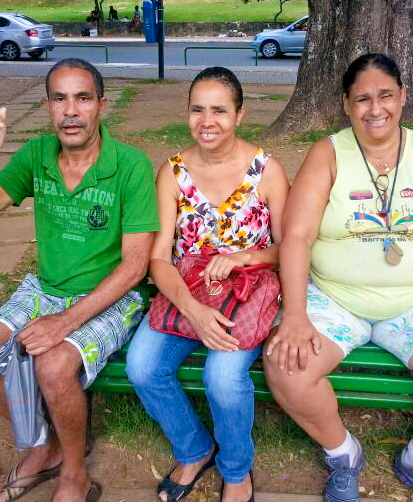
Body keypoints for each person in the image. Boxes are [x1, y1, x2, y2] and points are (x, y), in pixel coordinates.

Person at [264, 53, 413, 502]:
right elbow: (296, 238)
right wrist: (295, 315)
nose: (375, 109)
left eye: (386, 95)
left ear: (403, 97)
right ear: (346, 104)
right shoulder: (328, 155)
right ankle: (342, 453)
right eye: (362, 99)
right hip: (335, 299)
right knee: (286, 364)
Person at [0, 58, 159, 502]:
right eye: (59, 99)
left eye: (82, 98)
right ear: (48, 106)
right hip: (46, 288)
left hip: (112, 295)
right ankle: (44, 446)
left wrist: (64, 323)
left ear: (101, 105)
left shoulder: (130, 165)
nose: (71, 111)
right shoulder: (37, 155)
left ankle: (75, 472)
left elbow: (135, 267)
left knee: (52, 365)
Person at [126, 67, 290, 502]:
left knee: (222, 376)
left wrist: (244, 257)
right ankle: (194, 449)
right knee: (143, 366)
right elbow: (159, 259)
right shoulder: (173, 173)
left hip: (246, 295)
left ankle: (236, 469)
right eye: (197, 109)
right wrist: (194, 312)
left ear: (240, 114)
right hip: (188, 294)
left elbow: (290, 248)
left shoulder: (267, 171)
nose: (207, 121)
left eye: (219, 110)